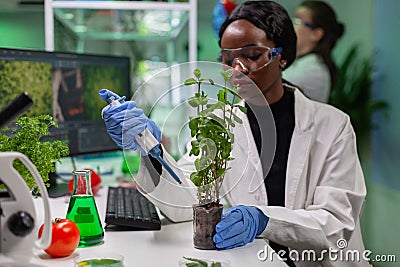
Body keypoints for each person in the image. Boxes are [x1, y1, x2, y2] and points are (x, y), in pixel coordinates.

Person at [101, 1, 369, 266]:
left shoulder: (333, 126)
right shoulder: (218, 123)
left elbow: (337, 221)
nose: (236, 70)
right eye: (227, 60)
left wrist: (265, 221)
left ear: (283, 56)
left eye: (252, 56)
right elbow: (183, 202)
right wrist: (149, 148)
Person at [282, 1, 344, 103]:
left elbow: (266, 86)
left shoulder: (312, 69)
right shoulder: (300, 63)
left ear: (316, 34)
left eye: (297, 21)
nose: (290, 25)